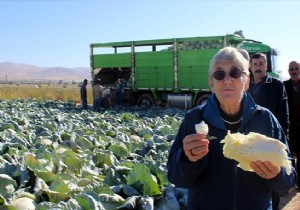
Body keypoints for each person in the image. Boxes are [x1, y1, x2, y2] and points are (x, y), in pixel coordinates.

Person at [167, 47, 296, 210]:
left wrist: (276, 175)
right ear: (211, 84)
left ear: (247, 81)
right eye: (219, 74)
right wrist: (187, 160)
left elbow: (288, 181)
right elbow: (175, 177)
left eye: (235, 72)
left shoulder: (266, 119)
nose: (227, 80)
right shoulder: (194, 119)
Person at [248, 53, 289, 209]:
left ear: (266, 66)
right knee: (254, 178)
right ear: (250, 67)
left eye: (261, 64)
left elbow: (284, 116)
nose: (258, 67)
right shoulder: (247, 86)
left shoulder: (277, 85)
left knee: (272, 179)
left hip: (270, 142)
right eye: (255, 64)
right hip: (251, 142)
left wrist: (282, 142)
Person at [284, 61, 300, 189]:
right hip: (289, 126)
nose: (294, 71)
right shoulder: (284, 86)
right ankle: (291, 181)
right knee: (289, 154)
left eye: (296, 68)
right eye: (291, 69)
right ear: (288, 71)